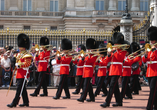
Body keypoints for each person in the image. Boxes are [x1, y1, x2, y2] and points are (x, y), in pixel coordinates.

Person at [100, 32, 127, 108]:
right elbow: (107, 61)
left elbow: (119, 58)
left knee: (112, 86)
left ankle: (107, 102)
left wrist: (114, 51)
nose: (114, 45)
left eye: (116, 44)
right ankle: (119, 101)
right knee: (115, 87)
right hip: (112, 70)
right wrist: (108, 54)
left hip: (117, 70)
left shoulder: (123, 51)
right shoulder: (113, 51)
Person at [7, 33, 32, 108]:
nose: (19, 47)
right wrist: (14, 61)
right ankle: (26, 102)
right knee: (23, 89)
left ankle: (14, 103)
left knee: (18, 89)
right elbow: (15, 61)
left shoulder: (27, 55)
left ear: (24, 47)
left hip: (23, 73)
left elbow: (27, 64)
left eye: (21, 46)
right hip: (19, 73)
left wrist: (19, 65)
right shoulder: (19, 54)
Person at [77, 38, 97, 102]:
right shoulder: (87, 54)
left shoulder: (94, 55)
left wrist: (87, 56)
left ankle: (82, 98)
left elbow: (90, 61)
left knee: (85, 85)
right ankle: (92, 97)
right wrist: (82, 58)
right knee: (89, 85)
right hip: (85, 70)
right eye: (88, 48)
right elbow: (82, 62)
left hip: (89, 70)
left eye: (89, 48)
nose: (88, 50)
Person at [142, 26, 157, 110]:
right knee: (154, 90)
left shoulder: (155, 49)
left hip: (155, 72)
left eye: (153, 40)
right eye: (151, 40)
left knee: (152, 91)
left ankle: (149, 107)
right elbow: (144, 60)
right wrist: (146, 54)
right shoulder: (150, 49)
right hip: (149, 72)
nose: (151, 42)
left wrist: (155, 50)